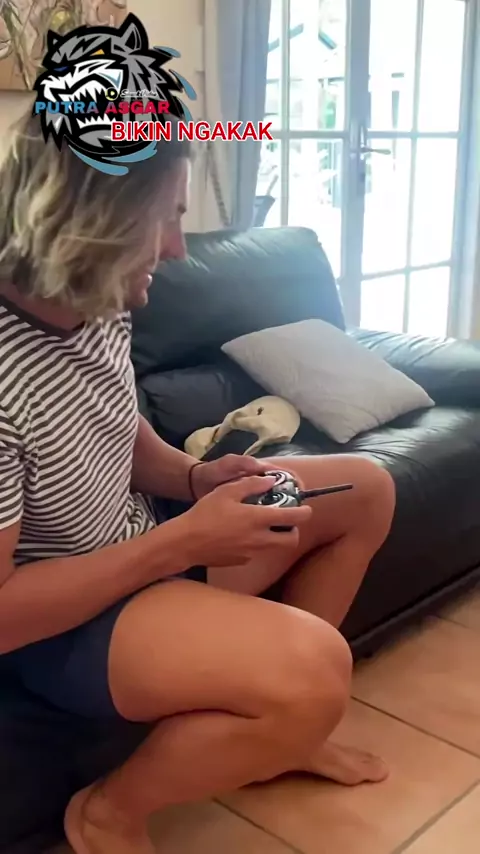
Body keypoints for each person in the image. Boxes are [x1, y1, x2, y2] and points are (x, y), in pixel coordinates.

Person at [0, 112, 395, 854]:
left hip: (144, 546)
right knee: (316, 674)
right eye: (163, 219)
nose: (178, 249)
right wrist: (182, 540)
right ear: (84, 222)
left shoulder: (97, 300)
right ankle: (108, 813)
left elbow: (118, 427)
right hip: (64, 622)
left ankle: (280, 736)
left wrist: (195, 475)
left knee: (365, 490)